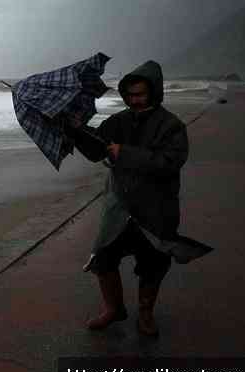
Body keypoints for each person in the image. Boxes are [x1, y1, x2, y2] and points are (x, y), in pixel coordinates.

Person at [67, 60, 188, 337]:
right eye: (130, 94)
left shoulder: (172, 126)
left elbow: (169, 162)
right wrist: (75, 130)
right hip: (119, 205)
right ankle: (114, 309)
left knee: (153, 263)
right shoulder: (117, 121)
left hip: (156, 207)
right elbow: (97, 150)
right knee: (103, 257)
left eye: (140, 94)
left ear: (154, 92)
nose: (134, 100)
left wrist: (126, 153)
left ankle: (145, 313)